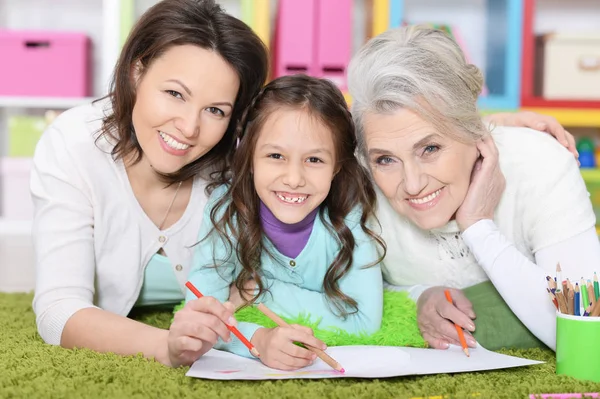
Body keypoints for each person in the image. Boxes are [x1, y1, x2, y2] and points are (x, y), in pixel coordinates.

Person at [30, 0, 268, 368]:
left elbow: (261, 284)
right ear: (137, 71)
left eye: (215, 110)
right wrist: (167, 346)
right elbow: (58, 311)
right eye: (175, 93)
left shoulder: (238, 165)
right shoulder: (72, 144)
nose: (189, 128)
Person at [346, 25, 600, 351]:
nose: (412, 184)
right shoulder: (359, 186)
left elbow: (586, 335)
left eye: (431, 149)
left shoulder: (540, 163)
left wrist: (480, 227)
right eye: (385, 160)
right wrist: (417, 297)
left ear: (475, 131)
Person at [186, 74, 385, 371]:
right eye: (276, 155)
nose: (294, 179)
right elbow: (203, 313)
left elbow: (365, 322)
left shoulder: (350, 215)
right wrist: (259, 340)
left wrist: (258, 290)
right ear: (250, 156)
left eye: (314, 160)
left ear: (336, 167)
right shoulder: (226, 210)